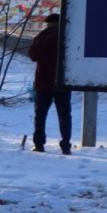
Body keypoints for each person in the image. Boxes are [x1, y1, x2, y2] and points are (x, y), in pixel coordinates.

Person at [26, 12, 71, 154]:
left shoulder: (42, 37)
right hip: (63, 81)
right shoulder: (68, 36)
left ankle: (39, 145)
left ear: (48, 23)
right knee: (64, 115)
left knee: (40, 115)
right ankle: (65, 146)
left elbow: (33, 56)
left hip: (44, 82)